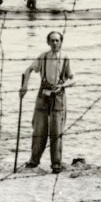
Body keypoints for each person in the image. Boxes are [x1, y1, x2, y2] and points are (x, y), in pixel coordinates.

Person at [21, 31, 75, 172]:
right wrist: (24, 87)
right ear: (48, 42)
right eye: (52, 40)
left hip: (58, 96)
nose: (55, 43)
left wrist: (63, 85)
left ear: (61, 42)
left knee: (56, 131)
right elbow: (28, 70)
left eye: (57, 40)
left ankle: (56, 164)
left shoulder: (65, 58)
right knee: (39, 128)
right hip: (43, 95)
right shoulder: (43, 57)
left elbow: (73, 78)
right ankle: (34, 161)